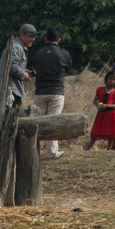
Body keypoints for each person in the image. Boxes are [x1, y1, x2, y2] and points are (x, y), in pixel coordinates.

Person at [28, 27, 71, 157]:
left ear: (46, 38)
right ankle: (52, 152)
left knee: (36, 122)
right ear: (59, 40)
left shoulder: (39, 53)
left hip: (40, 92)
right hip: (57, 91)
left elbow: (33, 67)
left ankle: (32, 152)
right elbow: (67, 68)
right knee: (53, 121)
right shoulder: (64, 53)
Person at [0, 24, 36, 109]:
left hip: (10, 89)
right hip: (7, 90)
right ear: (22, 35)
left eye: (34, 36)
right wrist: (24, 75)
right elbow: (12, 66)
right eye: (30, 36)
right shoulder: (17, 47)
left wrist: (23, 70)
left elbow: (12, 65)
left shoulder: (18, 47)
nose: (33, 39)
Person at [86, 71, 115, 150]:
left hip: (111, 115)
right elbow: (94, 100)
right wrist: (97, 106)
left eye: (114, 79)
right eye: (110, 78)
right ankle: (86, 149)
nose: (112, 81)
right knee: (95, 133)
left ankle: (108, 150)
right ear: (106, 79)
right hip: (101, 114)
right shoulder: (100, 90)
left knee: (111, 134)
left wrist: (107, 105)